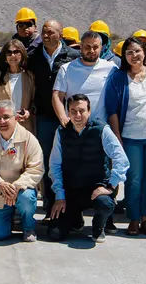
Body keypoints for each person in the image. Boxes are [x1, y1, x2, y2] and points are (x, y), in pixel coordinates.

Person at [103, 37, 146, 236]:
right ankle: (133, 218)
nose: (134, 55)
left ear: (144, 52)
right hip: (130, 136)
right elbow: (112, 109)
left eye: (137, 51)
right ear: (124, 56)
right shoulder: (119, 78)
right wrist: (118, 137)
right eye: (129, 52)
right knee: (134, 179)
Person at [47, 94, 129, 243]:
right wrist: (59, 195)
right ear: (67, 113)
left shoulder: (102, 129)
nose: (77, 115)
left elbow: (121, 159)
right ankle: (76, 220)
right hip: (70, 189)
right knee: (55, 234)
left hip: (96, 188)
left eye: (82, 111)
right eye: (73, 111)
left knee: (105, 203)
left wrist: (110, 186)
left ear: (89, 111)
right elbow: (54, 165)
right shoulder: (61, 132)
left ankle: (99, 227)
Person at [27, 20, 79, 214]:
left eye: (50, 32)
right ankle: (50, 206)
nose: (46, 36)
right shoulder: (33, 57)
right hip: (45, 118)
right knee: (48, 162)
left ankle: (72, 207)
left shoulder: (73, 57)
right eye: (43, 32)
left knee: (71, 160)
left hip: (69, 117)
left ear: (61, 34)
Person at [0, 100, 44, 242]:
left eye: (6, 117)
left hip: (21, 190)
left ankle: (28, 226)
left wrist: (16, 187)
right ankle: (10, 216)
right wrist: (0, 183)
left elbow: (36, 169)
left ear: (16, 117)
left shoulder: (29, 139)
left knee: (27, 198)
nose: (2, 121)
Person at [52, 31, 117, 127]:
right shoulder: (67, 69)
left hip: (101, 127)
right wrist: (63, 118)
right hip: (74, 127)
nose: (91, 50)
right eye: (87, 47)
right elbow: (57, 96)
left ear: (101, 48)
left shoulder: (111, 68)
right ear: (81, 47)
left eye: (95, 47)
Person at [0, 39, 36, 133]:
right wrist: (4, 115)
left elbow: (33, 101)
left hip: (24, 127)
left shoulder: (29, 76)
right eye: (9, 53)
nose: (12, 55)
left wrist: (28, 112)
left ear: (22, 54)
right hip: (1, 126)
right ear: (5, 56)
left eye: (16, 52)